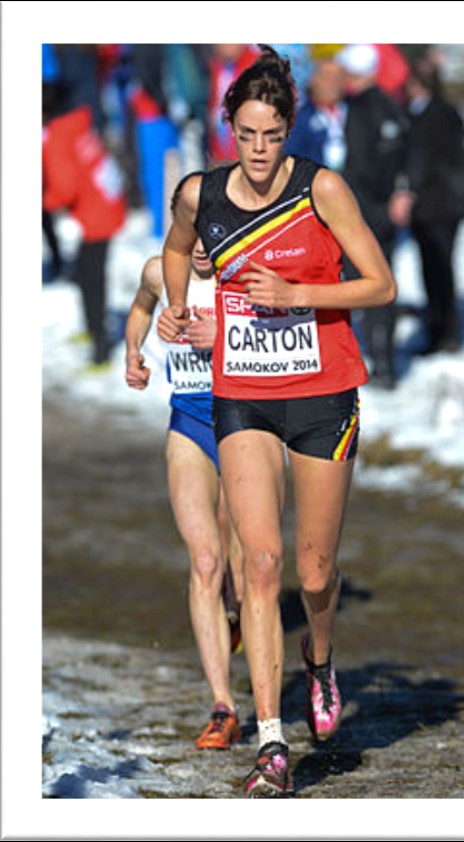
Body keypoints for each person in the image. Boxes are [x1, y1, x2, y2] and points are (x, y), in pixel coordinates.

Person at [158, 45, 397, 797]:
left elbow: (381, 285)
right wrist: (176, 304)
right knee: (257, 565)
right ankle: (270, 739)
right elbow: (174, 249)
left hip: (324, 395)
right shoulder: (203, 195)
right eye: (247, 135)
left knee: (314, 572)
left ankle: (319, 659)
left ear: (289, 130)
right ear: (228, 127)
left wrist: (298, 295)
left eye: (272, 136)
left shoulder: (320, 189)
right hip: (245, 396)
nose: (259, 153)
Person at [124, 225, 244, 750]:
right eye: (187, 231)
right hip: (189, 420)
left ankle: (238, 613)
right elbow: (139, 308)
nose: (199, 244)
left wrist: (226, 332)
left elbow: (291, 327)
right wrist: (135, 350)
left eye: (210, 230)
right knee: (204, 561)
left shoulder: (241, 275)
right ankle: (223, 706)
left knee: (244, 564)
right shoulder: (158, 271)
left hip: (247, 422)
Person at [336, 43, 410, 389]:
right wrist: (401, 192)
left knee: (358, 289)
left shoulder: (361, 110)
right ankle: (385, 365)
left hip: (362, 213)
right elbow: (406, 155)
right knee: (383, 286)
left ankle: (365, 364)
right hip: (383, 211)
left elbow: (360, 166)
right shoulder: (391, 106)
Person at [42, 81, 127, 367]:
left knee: (92, 280)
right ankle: (93, 328)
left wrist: (46, 202)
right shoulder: (76, 122)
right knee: (84, 269)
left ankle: (100, 347)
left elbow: (64, 188)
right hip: (108, 200)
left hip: (95, 216)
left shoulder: (56, 137)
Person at [390, 57, 464, 355]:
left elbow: (437, 160)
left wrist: (412, 189)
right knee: (432, 269)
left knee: (440, 269)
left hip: (441, 207)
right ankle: (438, 329)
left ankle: (446, 332)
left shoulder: (438, 114)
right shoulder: (419, 113)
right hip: (427, 208)